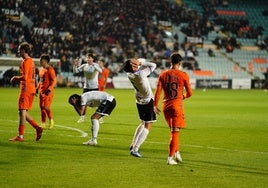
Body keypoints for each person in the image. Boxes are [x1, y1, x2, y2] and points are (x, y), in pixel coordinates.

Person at [154, 52, 192, 165]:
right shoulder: (183, 75)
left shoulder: (163, 74)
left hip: (166, 106)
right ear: (180, 63)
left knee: (174, 131)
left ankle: (177, 152)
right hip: (177, 106)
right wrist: (183, 96)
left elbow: (157, 92)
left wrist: (155, 105)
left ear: (170, 62)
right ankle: (170, 158)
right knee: (175, 132)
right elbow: (190, 93)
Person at [122, 58, 156, 158]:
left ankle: (133, 143)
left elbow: (138, 63)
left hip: (139, 99)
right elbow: (153, 65)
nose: (136, 60)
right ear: (133, 66)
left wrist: (137, 63)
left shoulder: (129, 74)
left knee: (142, 122)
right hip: (147, 100)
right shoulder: (140, 74)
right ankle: (135, 149)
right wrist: (141, 63)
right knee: (148, 125)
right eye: (133, 61)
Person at [9, 42, 43, 142]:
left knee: (22, 111)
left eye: (20, 50)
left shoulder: (26, 62)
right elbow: (33, 76)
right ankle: (38, 128)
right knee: (22, 112)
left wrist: (15, 78)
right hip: (30, 88)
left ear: (24, 51)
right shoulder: (31, 61)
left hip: (26, 89)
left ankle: (20, 136)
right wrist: (35, 87)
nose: (18, 51)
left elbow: (25, 77)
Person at [73, 53, 102, 123]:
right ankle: (82, 117)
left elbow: (101, 71)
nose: (88, 59)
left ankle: (99, 117)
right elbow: (75, 71)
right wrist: (75, 65)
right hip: (86, 87)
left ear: (92, 59)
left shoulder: (95, 65)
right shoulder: (84, 66)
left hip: (94, 87)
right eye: (87, 58)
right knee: (83, 103)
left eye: (90, 58)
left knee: (97, 103)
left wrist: (94, 66)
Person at [36, 54, 57, 129]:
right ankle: (43, 123)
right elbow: (40, 81)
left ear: (45, 61)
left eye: (41, 60)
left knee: (46, 107)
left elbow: (54, 80)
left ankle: (51, 120)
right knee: (41, 107)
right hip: (41, 91)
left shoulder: (50, 69)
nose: (40, 61)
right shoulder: (41, 69)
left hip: (48, 92)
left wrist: (50, 88)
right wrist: (37, 88)